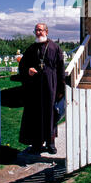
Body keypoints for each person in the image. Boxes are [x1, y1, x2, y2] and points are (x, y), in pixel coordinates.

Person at [18, 23, 65, 155]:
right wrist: (28, 70)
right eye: (36, 31)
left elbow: (61, 69)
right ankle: (36, 144)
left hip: (50, 85)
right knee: (35, 114)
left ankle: (50, 143)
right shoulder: (31, 49)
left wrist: (60, 89)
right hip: (34, 87)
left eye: (40, 30)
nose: (38, 33)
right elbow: (22, 65)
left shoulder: (55, 48)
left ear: (46, 31)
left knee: (50, 114)